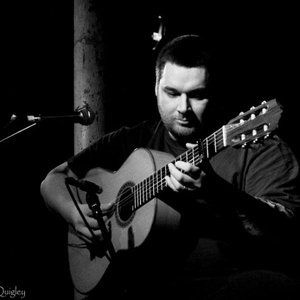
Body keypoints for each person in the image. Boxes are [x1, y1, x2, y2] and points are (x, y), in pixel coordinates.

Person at [40, 35, 300, 299]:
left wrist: (217, 192)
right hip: (142, 284)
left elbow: (283, 235)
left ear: (214, 91)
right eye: (172, 93)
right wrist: (75, 214)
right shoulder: (134, 139)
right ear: (155, 87)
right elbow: (53, 180)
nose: (183, 108)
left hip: (223, 285)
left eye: (197, 95)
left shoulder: (257, 147)